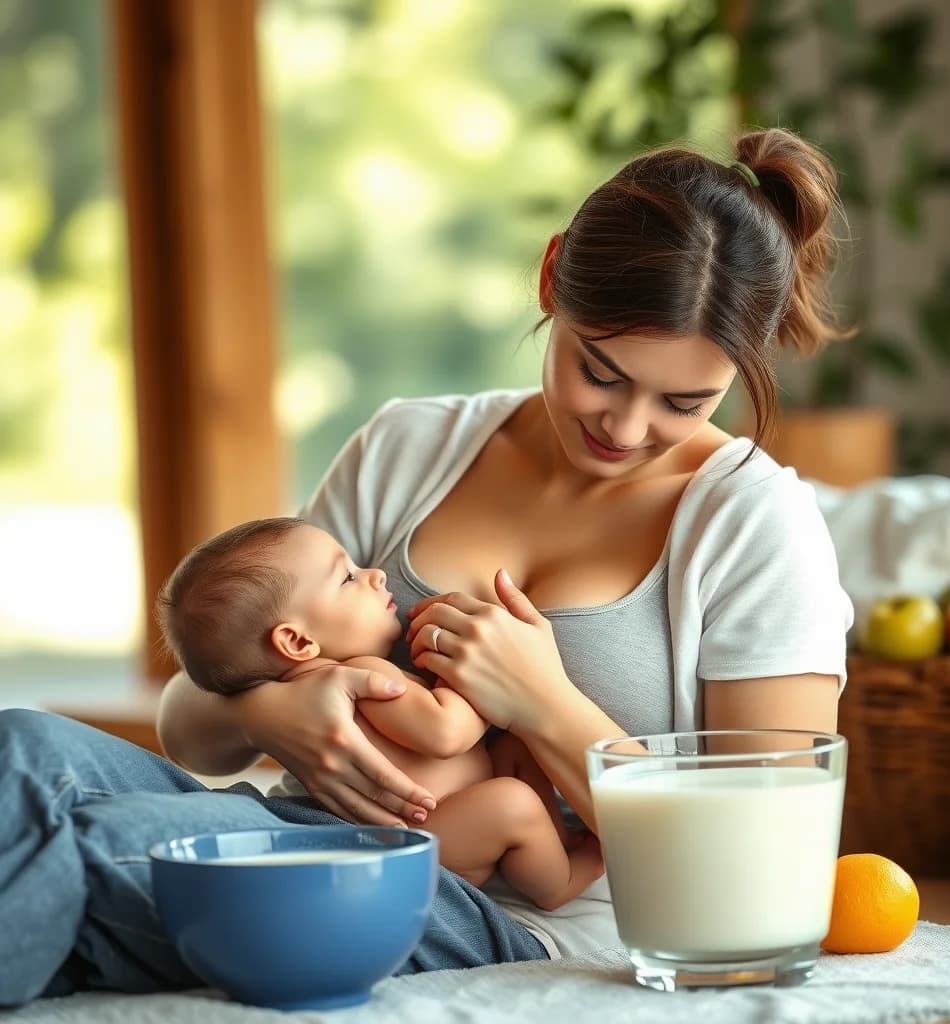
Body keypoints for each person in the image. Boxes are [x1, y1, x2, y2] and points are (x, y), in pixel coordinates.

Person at [0, 127, 854, 1005]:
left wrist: (543, 702)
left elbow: (764, 865)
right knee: (23, 749)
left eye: (684, 401)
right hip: (296, 826)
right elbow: (190, 719)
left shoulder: (752, 525)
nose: (626, 428)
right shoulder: (409, 447)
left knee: (95, 848)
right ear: (551, 277)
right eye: (600, 372)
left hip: (504, 911)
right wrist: (270, 711)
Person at [156, 515, 604, 910]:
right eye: (348, 578)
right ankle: (557, 883)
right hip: (426, 837)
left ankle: (556, 844)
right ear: (297, 641)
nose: (374, 574)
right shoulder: (361, 676)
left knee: (514, 753)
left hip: (434, 822)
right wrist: (478, 675)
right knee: (513, 802)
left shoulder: (317, 683)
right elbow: (446, 733)